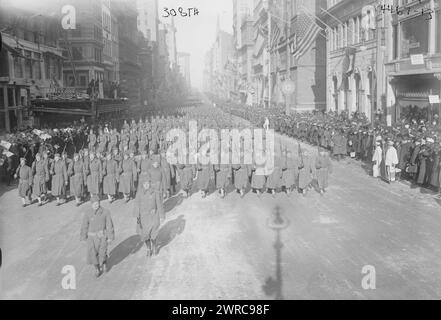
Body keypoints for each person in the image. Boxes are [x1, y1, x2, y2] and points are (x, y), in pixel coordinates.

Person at [80, 195, 114, 278]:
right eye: (94, 204)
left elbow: (109, 225)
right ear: (91, 204)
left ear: (99, 203)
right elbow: (84, 225)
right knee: (92, 254)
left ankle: (104, 263)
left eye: (97, 203)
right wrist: (83, 237)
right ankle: (97, 269)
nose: (96, 205)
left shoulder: (105, 212)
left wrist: (110, 237)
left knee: (102, 252)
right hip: (91, 238)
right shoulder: (87, 213)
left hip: (102, 236)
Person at [133, 180, 160, 257]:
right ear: (142, 185)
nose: (146, 185)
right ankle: (148, 248)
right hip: (143, 217)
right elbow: (136, 205)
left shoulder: (155, 192)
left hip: (153, 216)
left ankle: (154, 246)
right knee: (145, 234)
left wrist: (161, 215)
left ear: (150, 183)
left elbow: (159, 204)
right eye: (144, 184)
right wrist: (137, 216)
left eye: (148, 183)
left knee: (153, 233)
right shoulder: (139, 194)